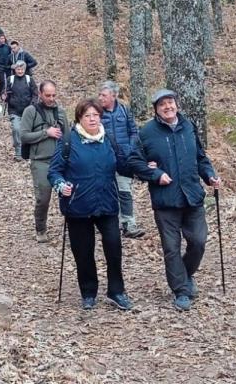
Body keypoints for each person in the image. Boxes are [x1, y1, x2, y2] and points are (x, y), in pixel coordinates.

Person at [127, 89, 222, 311]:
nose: (168, 107)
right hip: (165, 200)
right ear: (156, 110)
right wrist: (155, 174)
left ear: (176, 105)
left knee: (198, 241)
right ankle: (181, 291)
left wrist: (210, 176)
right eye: (162, 105)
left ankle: (185, 274)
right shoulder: (147, 133)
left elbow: (200, 157)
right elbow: (134, 162)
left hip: (192, 196)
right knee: (171, 248)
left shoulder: (188, 126)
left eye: (170, 103)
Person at [49, 99, 134, 311]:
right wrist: (61, 185)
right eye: (87, 115)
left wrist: (145, 166)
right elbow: (54, 171)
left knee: (114, 247)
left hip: (107, 203)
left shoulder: (109, 140)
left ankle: (116, 291)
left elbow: (124, 165)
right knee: (83, 251)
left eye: (95, 115)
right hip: (78, 206)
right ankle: (88, 292)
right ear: (79, 118)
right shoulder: (69, 141)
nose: (92, 119)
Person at [19, 80, 68, 242]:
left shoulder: (60, 112)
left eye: (54, 95)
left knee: (68, 195)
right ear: (40, 94)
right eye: (48, 95)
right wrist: (46, 133)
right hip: (40, 161)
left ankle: (75, 227)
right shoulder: (30, 111)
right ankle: (40, 229)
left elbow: (68, 136)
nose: (51, 98)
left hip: (61, 161)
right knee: (43, 198)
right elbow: (24, 135)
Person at [97, 81, 144, 239]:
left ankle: (129, 224)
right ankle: (109, 223)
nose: (100, 98)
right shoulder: (96, 112)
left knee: (125, 191)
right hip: (105, 160)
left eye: (104, 95)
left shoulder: (124, 110)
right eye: (100, 95)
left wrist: (130, 148)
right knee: (106, 192)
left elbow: (134, 131)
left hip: (124, 160)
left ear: (114, 95)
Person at [1, 60, 37, 160]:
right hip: (14, 110)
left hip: (28, 110)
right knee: (16, 129)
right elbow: (5, 91)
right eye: (18, 69)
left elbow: (35, 94)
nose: (20, 71)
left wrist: (32, 105)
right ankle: (18, 152)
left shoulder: (29, 79)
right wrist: (4, 96)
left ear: (25, 69)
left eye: (22, 69)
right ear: (15, 70)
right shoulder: (10, 79)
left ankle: (28, 150)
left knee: (28, 131)